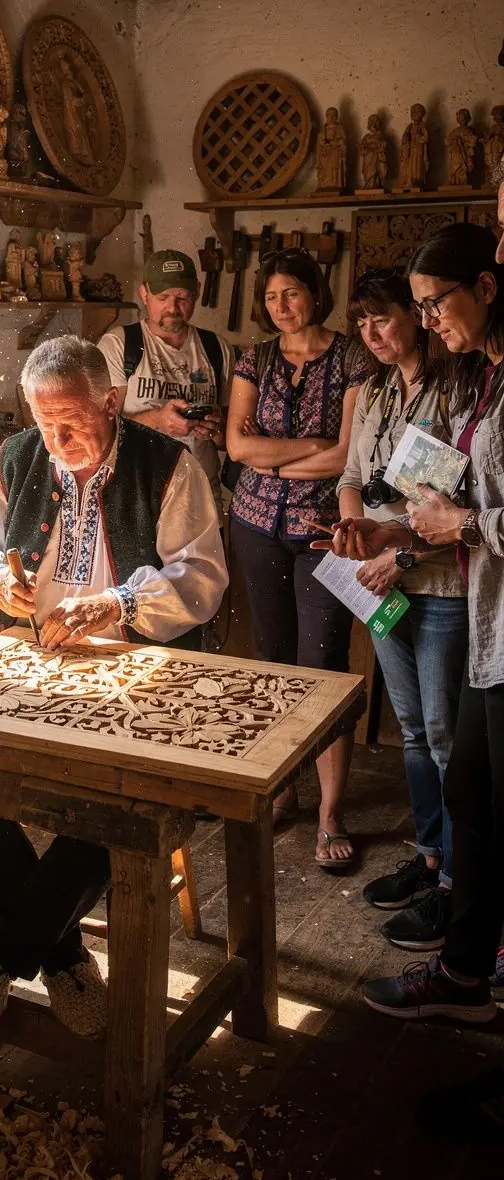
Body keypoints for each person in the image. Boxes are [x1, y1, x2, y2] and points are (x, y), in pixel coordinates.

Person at [0, 336, 227, 1046]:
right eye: (44, 423)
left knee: (124, 808)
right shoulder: (14, 459)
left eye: (73, 421)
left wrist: (119, 603)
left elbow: (202, 579)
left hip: (140, 669)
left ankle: (7, 955)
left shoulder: (169, 467)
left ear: (113, 401)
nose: (58, 439)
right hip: (34, 662)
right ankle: (62, 956)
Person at [315, 212, 504, 1074]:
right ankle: (461, 939)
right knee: (460, 778)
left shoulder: (468, 385)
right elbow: (369, 481)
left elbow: (457, 504)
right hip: (466, 614)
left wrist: (443, 530)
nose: (424, 322)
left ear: (488, 289)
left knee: (449, 754)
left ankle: (472, 953)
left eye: (432, 305)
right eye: (414, 308)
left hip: (460, 603)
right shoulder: (468, 381)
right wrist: (379, 540)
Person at [225, 247, 370, 868]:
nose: (282, 307)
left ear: (316, 292)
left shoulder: (353, 357)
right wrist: (310, 444)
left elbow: (348, 456)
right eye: (272, 296)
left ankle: (331, 810)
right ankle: (283, 786)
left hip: (324, 530)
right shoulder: (253, 357)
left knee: (324, 664)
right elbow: (235, 445)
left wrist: (274, 452)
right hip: (255, 525)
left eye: (293, 293)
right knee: (275, 657)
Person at [338, 268, 467, 950]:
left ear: (416, 316)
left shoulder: (458, 389)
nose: (373, 332)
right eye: (361, 322)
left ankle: (457, 886)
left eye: (382, 317)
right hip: (381, 581)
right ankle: (430, 857)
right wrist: (355, 530)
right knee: (412, 731)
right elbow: (353, 480)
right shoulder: (374, 392)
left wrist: (397, 549)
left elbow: (440, 510)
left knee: (446, 737)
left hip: (437, 580)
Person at [98, 249, 233, 523]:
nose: (172, 308)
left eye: (182, 298)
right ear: (144, 294)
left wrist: (216, 428)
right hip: (138, 500)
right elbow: (100, 428)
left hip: (201, 500)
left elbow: (229, 440)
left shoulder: (217, 348)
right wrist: (158, 420)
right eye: (162, 298)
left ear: (196, 292)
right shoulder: (119, 345)